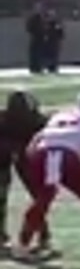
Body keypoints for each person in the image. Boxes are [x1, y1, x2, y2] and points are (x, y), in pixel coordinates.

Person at [13, 89, 80, 269]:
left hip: (39, 155)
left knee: (44, 197)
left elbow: (36, 140)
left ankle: (22, 246)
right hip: (59, 156)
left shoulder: (61, 115)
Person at [0, 90, 52, 252]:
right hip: (4, 156)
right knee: (34, 197)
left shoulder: (37, 122)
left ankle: (43, 234)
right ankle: (43, 234)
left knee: (36, 196)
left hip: (26, 156)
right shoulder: (34, 120)